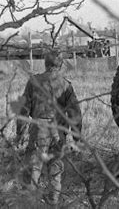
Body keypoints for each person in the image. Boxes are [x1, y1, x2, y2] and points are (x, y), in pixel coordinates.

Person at [17, 50, 82, 206]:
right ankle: (53, 203)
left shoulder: (33, 82)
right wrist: (76, 138)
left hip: (38, 130)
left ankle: (30, 203)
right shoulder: (66, 85)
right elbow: (75, 113)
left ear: (45, 63)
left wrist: (20, 134)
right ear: (60, 65)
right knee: (55, 172)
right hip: (58, 132)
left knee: (33, 170)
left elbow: (24, 110)